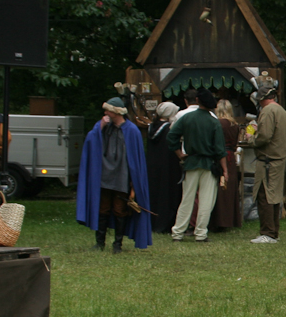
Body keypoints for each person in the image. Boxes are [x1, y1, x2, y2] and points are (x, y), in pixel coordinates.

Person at [76, 97, 152, 252]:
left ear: (116, 112)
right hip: (104, 176)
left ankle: (117, 244)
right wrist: (101, 126)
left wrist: (133, 182)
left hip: (122, 177)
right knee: (102, 209)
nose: (105, 113)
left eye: (108, 111)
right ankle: (100, 243)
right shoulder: (102, 127)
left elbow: (136, 160)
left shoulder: (132, 131)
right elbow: (91, 141)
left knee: (119, 210)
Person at [167, 89, 228, 243]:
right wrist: (225, 170)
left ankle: (178, 232)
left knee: (187, 199)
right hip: (209, 164)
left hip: (191, 162)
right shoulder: (214, 121)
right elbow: (220, 149)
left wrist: (179, 154)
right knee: (206, 200)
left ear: (197, 100)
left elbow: (171, 136)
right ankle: (200, 233)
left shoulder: (187, 118)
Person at [241, 72, 286, 244]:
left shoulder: (268, 111)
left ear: (262, 99)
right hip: (277, 159)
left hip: (268, 161)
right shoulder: (282, 111)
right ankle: (273, 232)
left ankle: (267, 233)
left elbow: (264, 137)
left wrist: (251, 138)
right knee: (274, 197)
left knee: (265, 196)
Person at [145, 102, 182, 234]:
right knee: (167, 194)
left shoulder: (151, 127)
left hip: (152, 166)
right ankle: (165, 223)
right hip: (168, 166)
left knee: (154, 194)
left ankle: (152, 221)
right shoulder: (169, 129)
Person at [211, 99, 243, 231]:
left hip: (220, 156)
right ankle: (229, 219)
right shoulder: (234, 125)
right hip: (231, 156)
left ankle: (219, 221)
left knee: (219, 187)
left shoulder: (218, 124)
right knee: (229, 188)